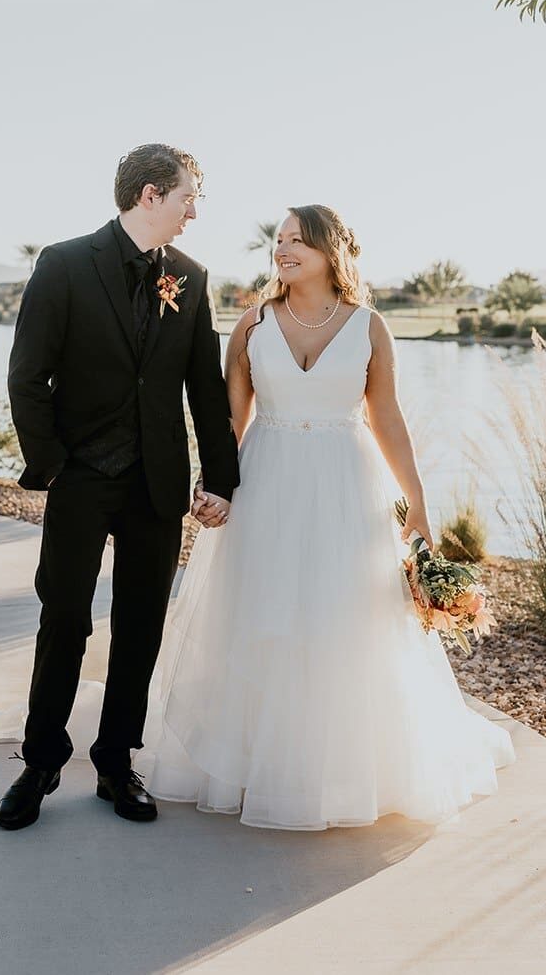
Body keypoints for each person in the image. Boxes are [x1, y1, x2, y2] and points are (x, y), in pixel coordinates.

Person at [131, 204, 517, 830]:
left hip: (346, 485)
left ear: (328, 252)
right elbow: (231, 418)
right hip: (267, 482)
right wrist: (213, 485)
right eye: (279, 241)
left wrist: (417, 502)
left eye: (297, 242)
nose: (282, 250)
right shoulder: (253, 323)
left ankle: (337, 767)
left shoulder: (369, 326)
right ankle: (254, 761)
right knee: (262, 613)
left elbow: (386, 417)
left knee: (343, 615)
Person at [0, 143, 240, 830]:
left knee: (141, 623)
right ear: (150, 196)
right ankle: (41, 762)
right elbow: (26, 375)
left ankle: (114, 761)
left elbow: (204, 388)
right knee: (64, 618)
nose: (194, 212)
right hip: (80, 478)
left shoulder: (190, 278)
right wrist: (52, 464)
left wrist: (221, 478)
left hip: (156, 485)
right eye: (188, 198)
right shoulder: (64, 264)